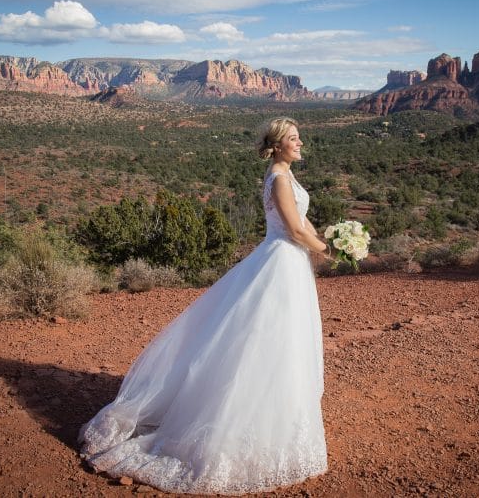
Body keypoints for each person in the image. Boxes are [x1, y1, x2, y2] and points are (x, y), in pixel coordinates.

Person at [79, 117, 332, 494]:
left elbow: (305, 222)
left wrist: (330, 241)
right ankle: (236, 422)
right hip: (280, 261)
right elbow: (293, 230)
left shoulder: (287, 176)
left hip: (291, 265)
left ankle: (274, 415)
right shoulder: (278, 178)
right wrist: (327, 250)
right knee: (263, 340)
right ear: (277, 145)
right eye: (293, 138)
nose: (300, 143)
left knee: (285, 343)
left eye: (299, 137)